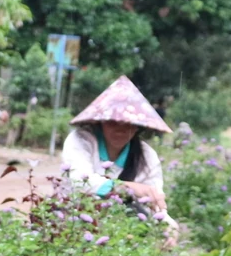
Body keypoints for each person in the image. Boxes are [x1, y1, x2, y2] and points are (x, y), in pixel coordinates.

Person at [60, 75, 176, 233]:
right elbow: (79, 181)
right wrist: (126, 188)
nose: (120, 129)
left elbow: (156, 206)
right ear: (101, 121)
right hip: (74, 222)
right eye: (113, 121)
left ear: (137, 127)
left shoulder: (147, 157)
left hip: (121, 232)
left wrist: (168, 227)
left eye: (128, 124)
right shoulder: (81, 141)